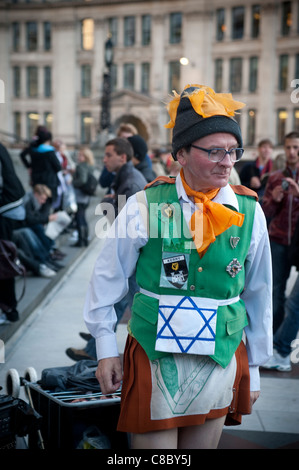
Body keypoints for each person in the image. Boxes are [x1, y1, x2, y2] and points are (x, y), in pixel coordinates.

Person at [83, 84, 272, 449]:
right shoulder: (144, 203)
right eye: (214, 151)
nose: (228, 162)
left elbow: (260, 293)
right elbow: (107, 279)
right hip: (154, 356)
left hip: (219, 357)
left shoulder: (250, 211)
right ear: (181, 154)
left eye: (233, 151)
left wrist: (258, 366)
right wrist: (105, 347)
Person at [66, 137, 146, 362]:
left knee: (133, 307)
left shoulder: (130, 182)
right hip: (132, 258)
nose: (104, 159)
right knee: (122, 303)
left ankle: (100, 349)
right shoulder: (124, 177)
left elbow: (128, 226)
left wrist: (108, 205)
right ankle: (95, 346)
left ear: (123, 157)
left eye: (108, 155)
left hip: (133, 258)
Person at [262, 131, 299, 333]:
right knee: (276, 291)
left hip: (297, 241)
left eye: (296, 147)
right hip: (277, 239)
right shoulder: (275, 177)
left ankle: (284, 341)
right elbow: (265, 213)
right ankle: (274, 339)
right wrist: (274, 200)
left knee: (295, 297)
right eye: (288, 147)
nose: (292, 152)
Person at [0, 142, 25, 323]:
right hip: (8, 208)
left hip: (4, 209)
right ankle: (9, 308)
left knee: (3, 260)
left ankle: (8, 308)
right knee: (4, 258)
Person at [19, 127, 61, 204]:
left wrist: (29, 166)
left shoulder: (34, 149)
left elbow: (22, 155)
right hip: (49, 181)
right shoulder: (50, 152)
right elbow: (58, 167)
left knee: (37, 201)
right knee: (47, 202)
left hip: (36, 179)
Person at [71, 147, 95, 247]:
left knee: (79, 217)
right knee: (83, 217)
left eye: (81, 155)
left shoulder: (81, 166)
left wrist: (72, 182)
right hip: (86, 196)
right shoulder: (90, 166)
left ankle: (81, 240)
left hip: (80, 195)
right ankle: (85, 239)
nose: (78, 157)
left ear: (85, 157)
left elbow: (82, 180)